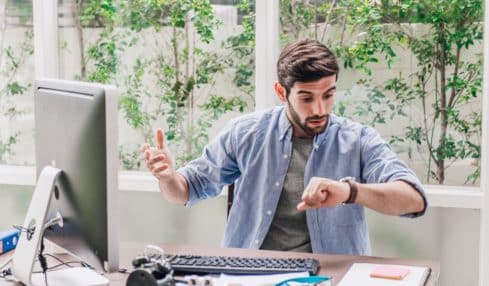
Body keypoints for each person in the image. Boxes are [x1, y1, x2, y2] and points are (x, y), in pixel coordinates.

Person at [141, 39, 427, 256]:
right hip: (251, 273)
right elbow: (185, 191)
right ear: (282, 92)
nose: (319, 108)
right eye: (306, 97)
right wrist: (168, 177)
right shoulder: (246, 133)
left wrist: (349, 191)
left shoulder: (358, 140)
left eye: (328, 95)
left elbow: (414, 200)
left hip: (329, 277)